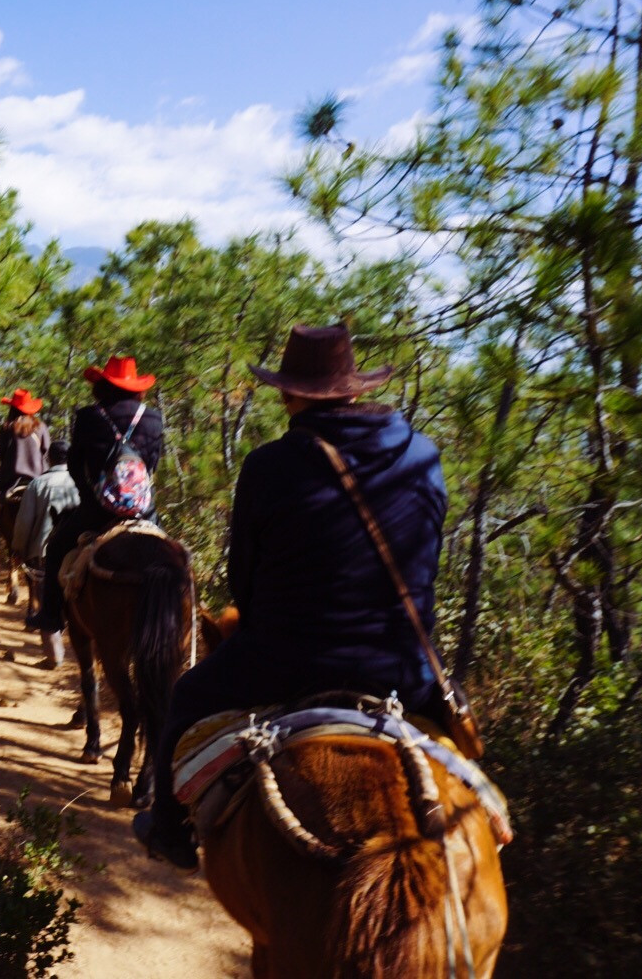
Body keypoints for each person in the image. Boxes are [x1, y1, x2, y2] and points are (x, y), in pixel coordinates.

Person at [133, 324, 449, 871]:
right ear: (355, 389)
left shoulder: (269, 464)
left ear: (288, 393)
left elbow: (245, 582)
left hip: (286, 661)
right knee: (460, 749)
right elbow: (428, 567)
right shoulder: (424, 455)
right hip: (402, 668)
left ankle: (168, 831)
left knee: (185, 698)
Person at [31, 356, 165, 644]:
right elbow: (152, 464)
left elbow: (76, 466)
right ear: (137, 387)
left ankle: (51, 615)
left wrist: (92, 500)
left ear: (102, 385)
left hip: (97, 511)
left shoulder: (89, 416)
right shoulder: (154, 418)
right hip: (144, 511)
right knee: (171, 556)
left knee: (56, 547)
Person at [13, 439, 80, 663]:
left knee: (46, 601)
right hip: (78, 552)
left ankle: (54, 655)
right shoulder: (81, 482)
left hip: (43, 552)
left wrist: (18, 549)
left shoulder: (37, 484)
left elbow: (24, 522)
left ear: (48, 458)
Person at [0, 388, 51, 535]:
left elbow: (2, 454)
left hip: (11, 477)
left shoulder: (6, 427)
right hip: (39, 477)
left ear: (12, 408)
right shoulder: (41, 426)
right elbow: (46, 451)